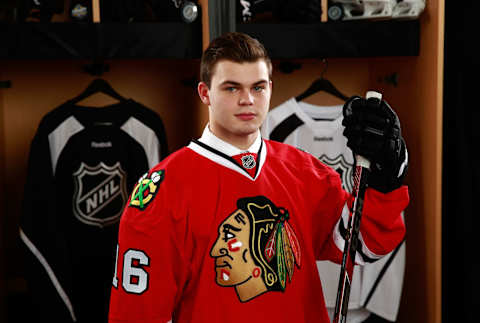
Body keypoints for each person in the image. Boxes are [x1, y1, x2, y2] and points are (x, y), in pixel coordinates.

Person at [108, 32, 409, 323]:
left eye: (258, 87)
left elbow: (363, 244)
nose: (247, 100)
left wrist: (386, 176)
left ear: (270, 89)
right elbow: (137, 315)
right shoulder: (163, 190)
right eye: (231, 88)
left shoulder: (304, 172)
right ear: (204, 93)